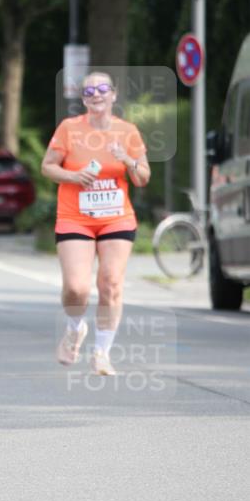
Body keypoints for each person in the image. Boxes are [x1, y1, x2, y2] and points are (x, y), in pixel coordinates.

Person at [41, 71, 151, 375]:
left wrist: (127, 160)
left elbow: (142, 178)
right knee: (77, 288)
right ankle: (76, 327)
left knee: (111, 283)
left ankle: (102, 352)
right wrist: (73, 176)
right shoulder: (69, 129)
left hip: (116, 217)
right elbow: (48, 166)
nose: (96, 94)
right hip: (75, 217)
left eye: (102, 89)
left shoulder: (128, 131)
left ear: (114, 95)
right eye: (89, 91)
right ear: (83, 99)